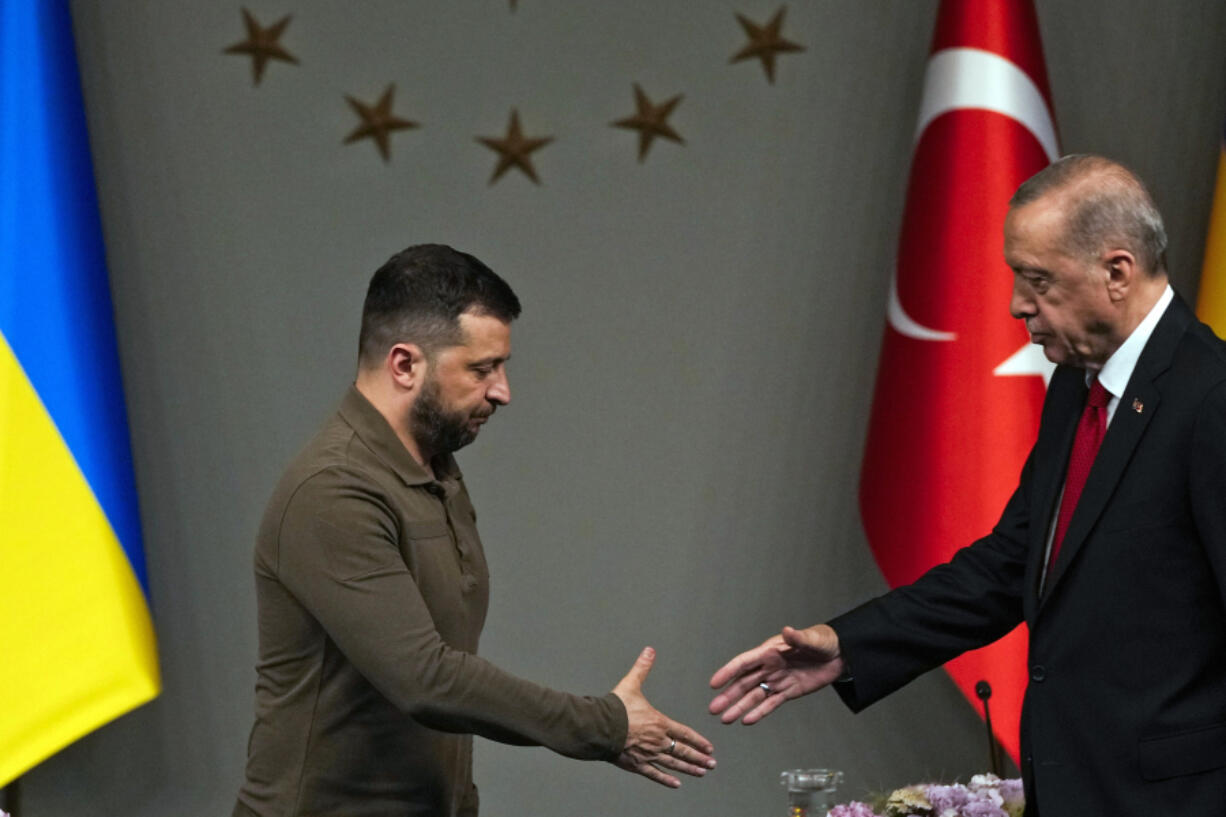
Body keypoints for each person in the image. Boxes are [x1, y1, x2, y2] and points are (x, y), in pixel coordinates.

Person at [708, 155, 1226, 816]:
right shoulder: (1078, 386)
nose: (1017, 304)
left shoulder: (1211, 400)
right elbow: (1012, 564)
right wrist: (848, 647)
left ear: (1116, 272)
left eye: (1037, 279)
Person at [234, 244, 714, 817]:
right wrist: (605, 724)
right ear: (404, 364)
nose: (502, 390)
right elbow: (426, 679)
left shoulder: (435, 467)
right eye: (482, 369)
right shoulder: (333, 488)